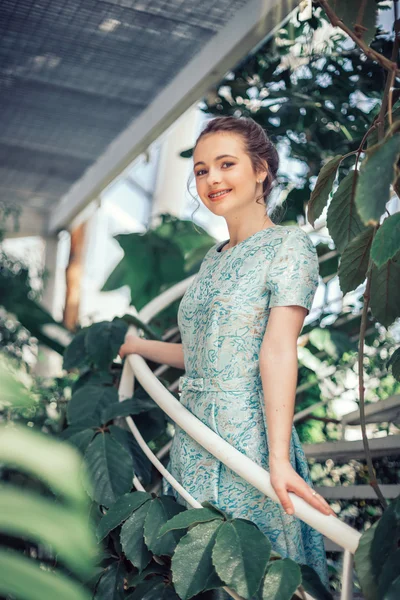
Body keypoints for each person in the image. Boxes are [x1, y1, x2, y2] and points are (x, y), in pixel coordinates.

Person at [118, 116, 335, 590]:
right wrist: (137, 346)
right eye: (200, 170)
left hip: (247, 435)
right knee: (197, 576)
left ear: (261, 170)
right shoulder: (214, 257)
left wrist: (277, 459)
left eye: (225, 164)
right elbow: (205, 354)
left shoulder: (289, 245)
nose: (211, 179)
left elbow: (277, 352)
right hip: (193, 436)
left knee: (250, 575)